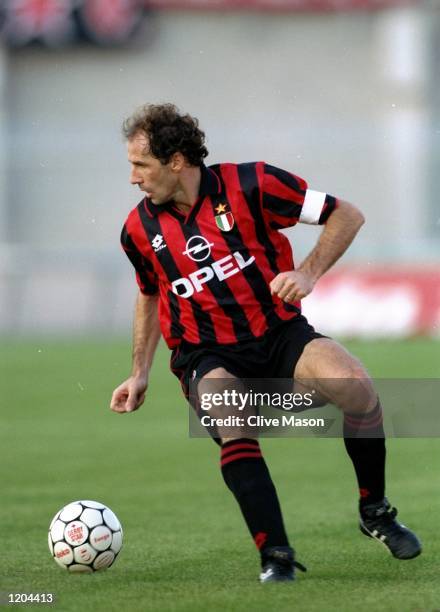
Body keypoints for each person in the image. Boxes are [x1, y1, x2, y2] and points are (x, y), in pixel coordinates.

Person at [110, 103, 421, 583]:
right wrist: (139, 370)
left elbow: (347, 215)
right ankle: (275, 556)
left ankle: (374, 511)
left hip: (278, 334)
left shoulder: (252, 184)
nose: (133, 177)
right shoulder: (139, 229)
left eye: (140, 165)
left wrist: (309, 272)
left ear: (176, 161)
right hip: (205, 352)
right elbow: (150, 292)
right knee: (233, 416)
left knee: (356, 383)